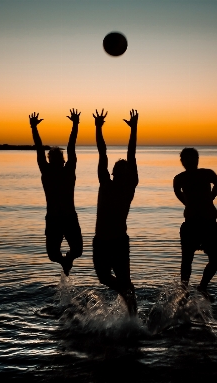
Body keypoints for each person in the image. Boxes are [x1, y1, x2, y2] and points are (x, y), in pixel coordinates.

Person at [92, 109, 139, 316]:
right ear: (113, 173)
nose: (120, 174)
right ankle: (126, 295)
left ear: (127, 174)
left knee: (125, 281)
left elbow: (132, 154)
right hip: (102, 240)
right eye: (118, 172)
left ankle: (133, 317)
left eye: (123, 172)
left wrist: (134, 129)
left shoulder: (129, 187)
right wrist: (98, 128)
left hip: (118, 240)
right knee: (104, 277)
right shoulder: (105, 183)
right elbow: (102, 153)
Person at [29, 110, 83, 276]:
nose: (55, 161)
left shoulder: (68, 171)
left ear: (63, 160)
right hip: (53, 219)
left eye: (57, 158)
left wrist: (75, 125)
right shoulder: (47, 172)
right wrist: (34, 129)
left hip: (69, 217)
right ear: (50, 160)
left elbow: (71, 147)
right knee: (53, 255)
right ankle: (64, 261)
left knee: (78, 251)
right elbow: (39, 149)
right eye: (52, 158)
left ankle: (68, 260)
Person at [173, 148, 217, 302]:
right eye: (184, 159)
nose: (188, 162)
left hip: (209, 223)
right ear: (182, 161)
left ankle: (202, 286)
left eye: (191, 158)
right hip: (191, 225)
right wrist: (188, 204)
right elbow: (177, 192)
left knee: (216, 260)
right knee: (187, 259)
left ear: (197, 159)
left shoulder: (207, 173)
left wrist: (209, 199)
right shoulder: (179, 178)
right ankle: (184, 291)